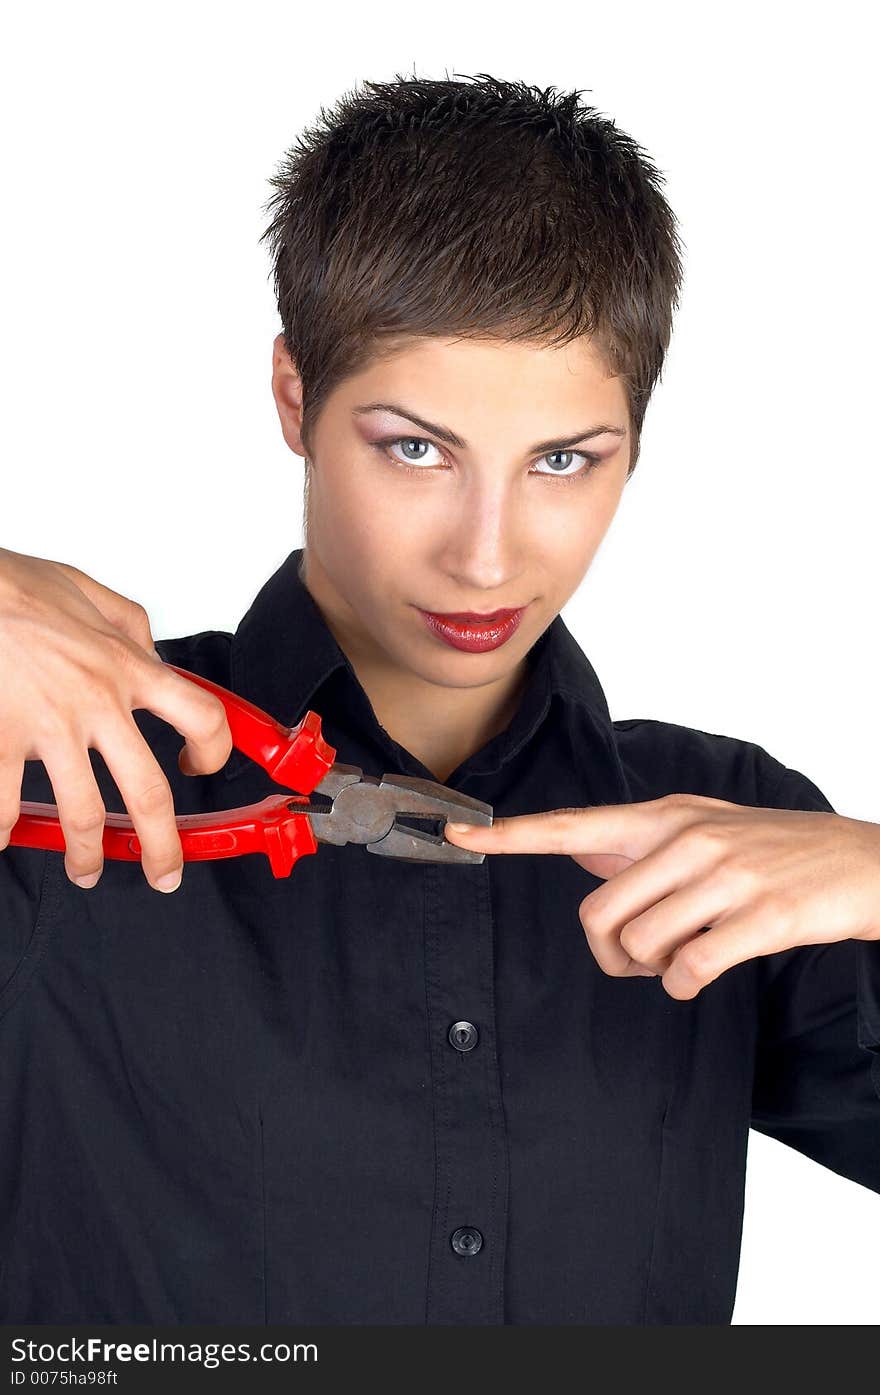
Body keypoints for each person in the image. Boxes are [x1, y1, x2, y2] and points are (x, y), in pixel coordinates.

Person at [1, 72, 878, 1326]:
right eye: (415, 448)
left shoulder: (742, 836)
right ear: (296, 400)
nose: (486, 556)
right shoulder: (56, 761)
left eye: (565, 461)